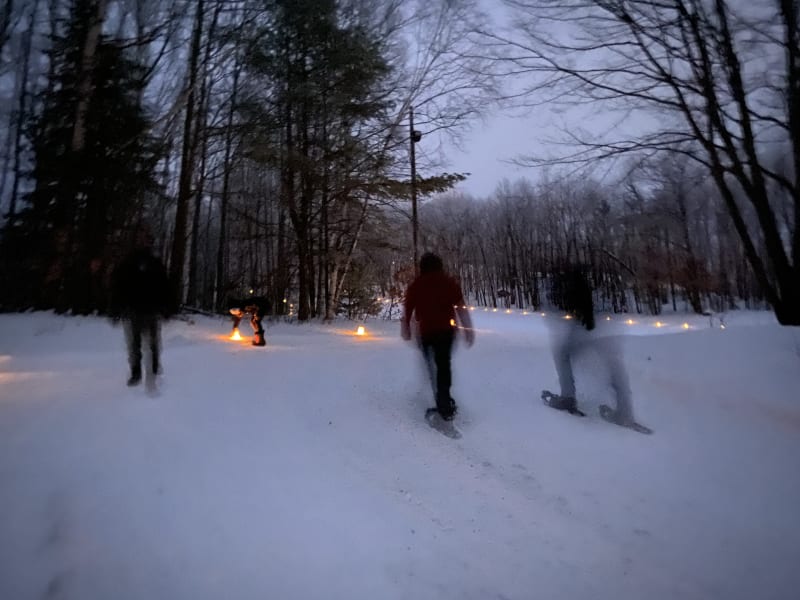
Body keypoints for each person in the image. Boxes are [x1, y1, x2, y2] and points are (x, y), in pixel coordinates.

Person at [547, 265, 648, 432]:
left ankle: (568, 398)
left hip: (589, 323)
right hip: (608, 322)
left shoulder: (577, 275)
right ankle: (625, 412)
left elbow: (579, 299)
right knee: (614, 364)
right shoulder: (603, 270)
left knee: (562, 354)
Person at [401, 252, 475, 420]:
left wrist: (406, 328)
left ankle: (442, 401)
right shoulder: (449, 283)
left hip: (426, 332)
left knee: (431, 366)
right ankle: (444, 400)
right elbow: (461, 307)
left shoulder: (416, 285)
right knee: (443, 365)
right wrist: (468, 329)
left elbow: (408, 309)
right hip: (446, 332)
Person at [109, 235, 175, 389]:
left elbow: (164, 287)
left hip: (148, 310)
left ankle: (151, 368)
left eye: (145, 241)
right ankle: (137, 372)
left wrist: (167, 307)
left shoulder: (153, 263)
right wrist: (115, 308)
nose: (143, 243)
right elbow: (118, 287)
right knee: (136, 344)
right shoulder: (129, 263)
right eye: (141, 241)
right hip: (135, 310)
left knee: (149, 343)